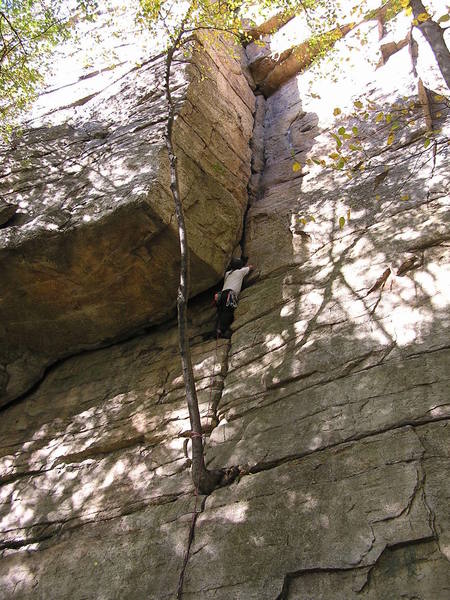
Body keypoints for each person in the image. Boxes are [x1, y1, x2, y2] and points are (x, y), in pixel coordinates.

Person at [215, 258, 253, 339]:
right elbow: (250, 267)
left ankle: (217, 331)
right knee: (227, 312)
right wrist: (247, 266)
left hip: (221, 295)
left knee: (221, 312)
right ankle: (222, 331)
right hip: (230, 294)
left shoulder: (227, 274)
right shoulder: (240, 272)